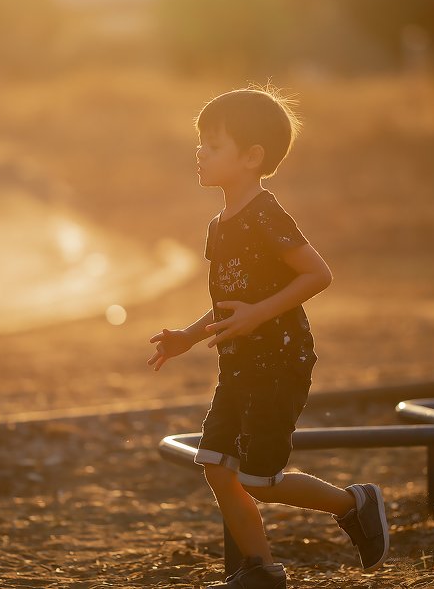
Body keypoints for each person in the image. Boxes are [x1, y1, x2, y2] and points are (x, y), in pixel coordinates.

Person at [148, 87, 390, 588]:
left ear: (252, 157)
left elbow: (317, 274)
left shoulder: (265, 214)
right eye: (201, 143)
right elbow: (227, 302)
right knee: (216, 466)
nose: (200, 153)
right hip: (238, 366)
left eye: (213, 145)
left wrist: (260, 314)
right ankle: (261, 572)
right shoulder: (219, 226)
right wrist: (187, 337)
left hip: (278, 362)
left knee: (260, 480)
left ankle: (355, 503)